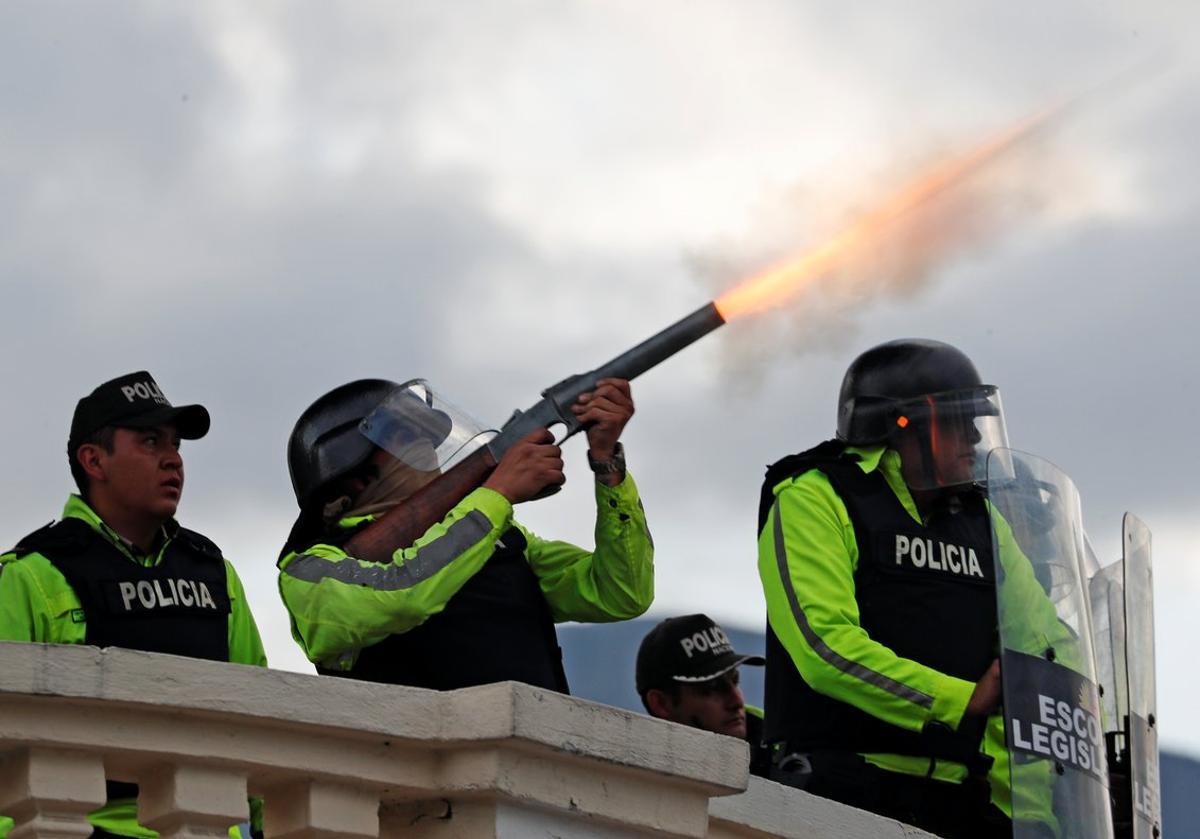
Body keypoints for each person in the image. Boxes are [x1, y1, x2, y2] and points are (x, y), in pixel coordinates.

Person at [757, 339, 1023, 839]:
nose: (973, 436)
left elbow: (1040, 645)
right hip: (842, 792)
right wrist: (959, 700)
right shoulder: (814, 495)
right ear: (905, 426)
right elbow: (824, 646)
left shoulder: (983, 518)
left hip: (963, 797)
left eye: (976, 419)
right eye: (957, 420)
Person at [0, 371, 266, 839]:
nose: (174, 461)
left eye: (176, 445)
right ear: (94, 460)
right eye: (150, 441)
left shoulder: (214, 571)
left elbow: (262, 724)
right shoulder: (30, 573)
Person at [276, 377, 654, 691]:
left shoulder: (495, 533)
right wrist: (497, 495)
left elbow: (619, 594)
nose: (428, 448)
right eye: (404, 439)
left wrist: (607, 464)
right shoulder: (309, 570)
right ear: (352, 477)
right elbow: (399, 596)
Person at [635, 613, 771, 777]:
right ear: (661, 703)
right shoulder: (635, 780)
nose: (736, 701)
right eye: (711, 687)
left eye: (735, 680)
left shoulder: (783, 753)